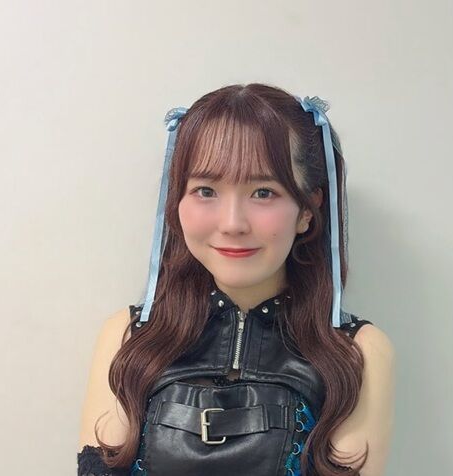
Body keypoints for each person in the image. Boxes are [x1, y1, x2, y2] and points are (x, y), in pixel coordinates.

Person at [77, 83, 395, 476]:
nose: (232, 224)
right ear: (177, 201)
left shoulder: (358, 352)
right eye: (205, 190)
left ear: (307, 209)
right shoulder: (127, 336)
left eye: (263, 192)